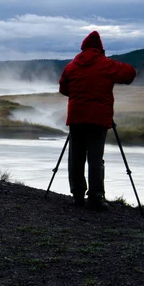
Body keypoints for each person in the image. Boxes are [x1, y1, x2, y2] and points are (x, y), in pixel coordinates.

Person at [59, 31, 136, 211]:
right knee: (95, 158)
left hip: (76, 117)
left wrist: (79, 95)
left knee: (75, 157)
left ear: (83, 47)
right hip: (98, 119)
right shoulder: (106, 64)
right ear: (100, 49)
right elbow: (129, 74)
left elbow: (63, 89)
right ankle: (95, 198)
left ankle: (77, 196)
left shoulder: (72, 66)